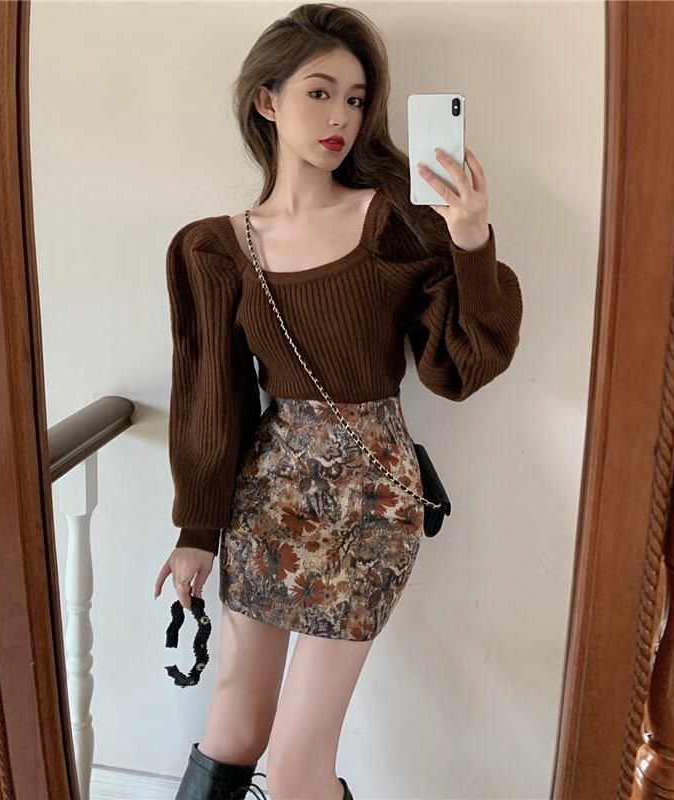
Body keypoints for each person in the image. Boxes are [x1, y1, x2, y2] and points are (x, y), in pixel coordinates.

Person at [153, 4, 523, 798]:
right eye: (319, 93)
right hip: (267, 496)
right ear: (267, 100)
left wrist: (469, 239)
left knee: (295, 767)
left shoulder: (395, 226)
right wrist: (196, 531)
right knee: (233, 729)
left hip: (371, 503)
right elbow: (213, 396)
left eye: (355, 99)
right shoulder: (215, 248)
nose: (341, 118)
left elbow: (463, 366)